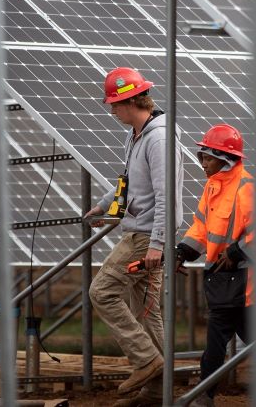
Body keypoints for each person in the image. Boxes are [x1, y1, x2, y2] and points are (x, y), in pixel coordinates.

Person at [175, 124, 256, 407]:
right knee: (253, 339)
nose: (203, 162)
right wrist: (183, 251)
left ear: (225, 157)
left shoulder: (247, 187)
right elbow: (201, 227)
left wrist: (235, 251)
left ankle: (203, 395)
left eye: (207, 157)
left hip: (243, 281)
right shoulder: (213, 186)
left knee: (216, 340)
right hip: (223, 280)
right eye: (202, 156)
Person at [83, 67, 184, 406]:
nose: (111, 110)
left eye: (114, 104)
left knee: (102, 291)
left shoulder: (159, 138)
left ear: (130, 101)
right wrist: (103, 206)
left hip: (145, 237)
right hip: (142, 231)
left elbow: (165, 195)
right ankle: (158, 392)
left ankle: (145, 360)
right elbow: (131, 184)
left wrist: (157, 244)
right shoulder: (138, 135)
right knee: (146, 313)